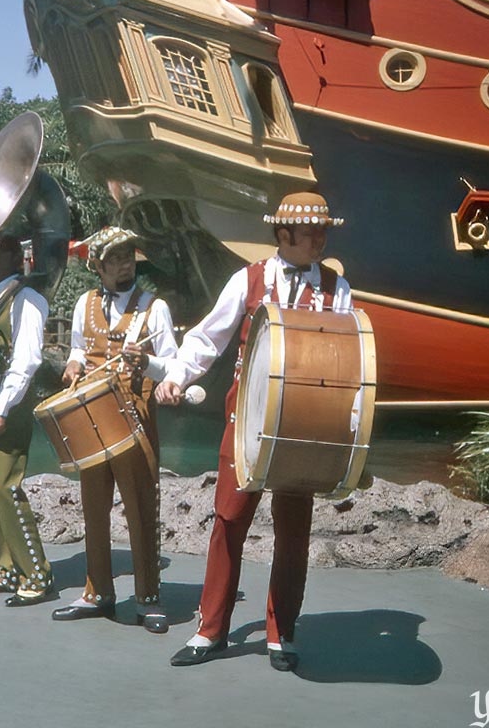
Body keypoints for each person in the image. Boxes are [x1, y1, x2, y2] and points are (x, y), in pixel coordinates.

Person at [156, 192, 351, 672]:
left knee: (293, 530)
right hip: (246, 420)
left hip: (303, 424)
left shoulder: (337, 287)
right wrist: (177, 375)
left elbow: (348, 355)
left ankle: (281, 633)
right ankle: (210, 630)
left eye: (324, 230)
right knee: (229, 520)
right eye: (312, 232)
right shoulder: (247, 279)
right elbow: (207, 338)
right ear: (283, 235)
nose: (321, 239)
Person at [51, 227, 178, 633]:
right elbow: (76, 349)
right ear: (98, 266)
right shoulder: (83, 303)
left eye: (129, 256)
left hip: (135, 415)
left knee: (141, 507)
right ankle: (98, 592)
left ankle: (148, 598)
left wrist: (146, 363)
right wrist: (71, 365)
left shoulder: (153, 308)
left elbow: (173, 366)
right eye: (116, 258)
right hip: (91, 417)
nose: (125, 264)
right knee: (93, 507)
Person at [0, 235, 55, 607]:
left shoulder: (27, 299)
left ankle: (36, 573)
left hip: (9, 406)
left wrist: (2, 407)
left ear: (9, 257)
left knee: (8, 488)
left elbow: (27, 360)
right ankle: (8, 566)